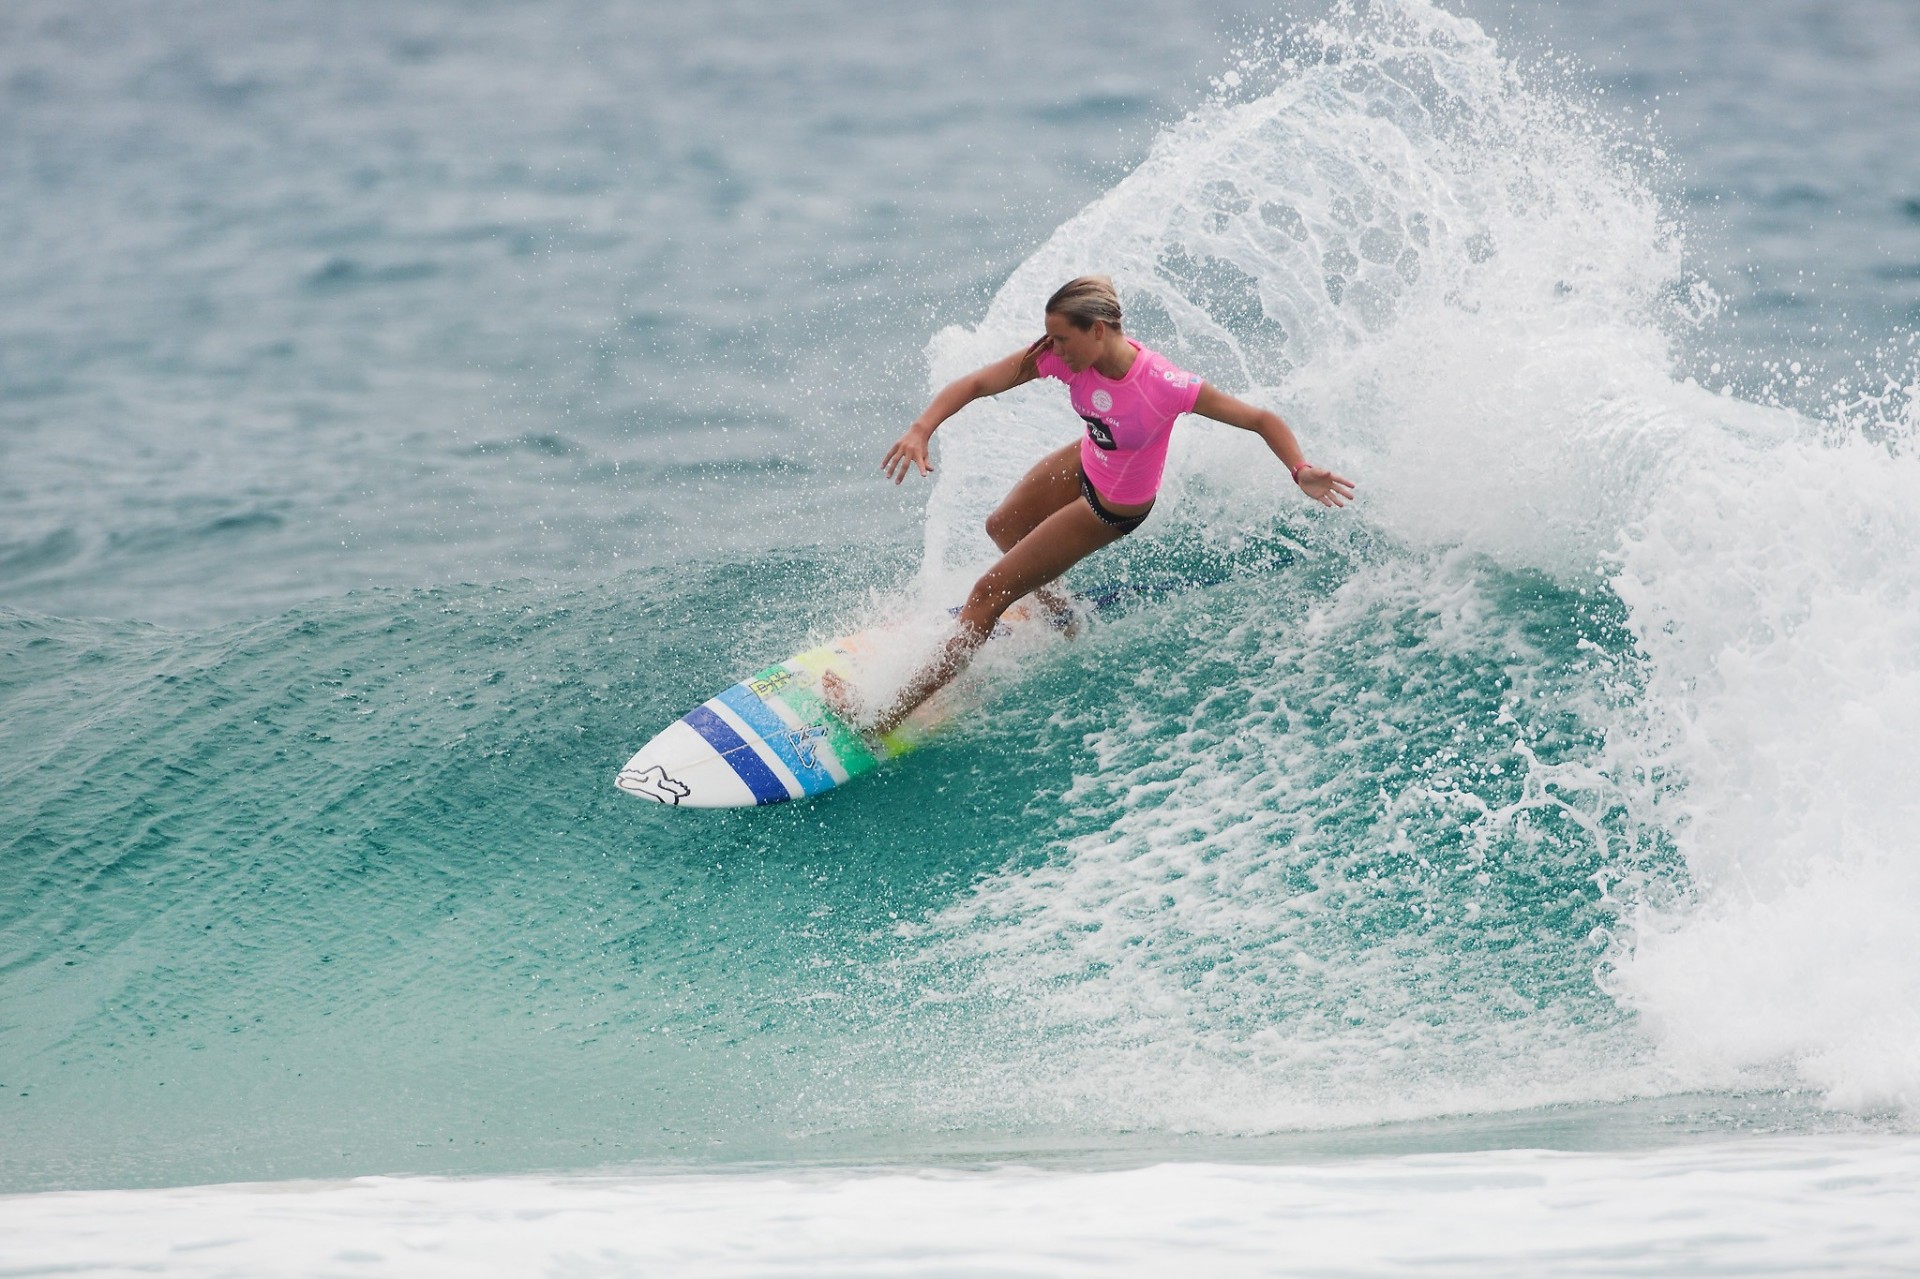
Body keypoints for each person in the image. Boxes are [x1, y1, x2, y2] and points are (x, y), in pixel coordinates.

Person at [825, 275, 1354, 735]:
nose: (1050, 349)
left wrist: (1299, 469)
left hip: (1115, 504)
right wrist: (922, 428)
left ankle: (881, 715)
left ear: (1096, 330)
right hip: (1092, 455)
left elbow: (1260, 419)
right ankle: (1063, 615)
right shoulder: (1066, 358)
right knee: (1003, 525)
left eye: (1061, 337)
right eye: (1050, 337)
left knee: (987, 594)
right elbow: (979, 382)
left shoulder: (1164, 386)